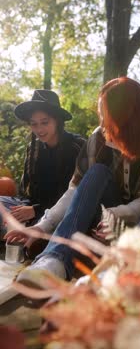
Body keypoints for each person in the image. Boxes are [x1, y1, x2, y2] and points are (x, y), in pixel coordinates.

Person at [6, 78, 140, 284]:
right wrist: (42, 226)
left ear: (131, 118)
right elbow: (75, 191)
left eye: (109, 118)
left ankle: (120, 270)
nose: (104, 124)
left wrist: (117, 216)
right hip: (109, 227)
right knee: (96, 171)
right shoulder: (99, 138)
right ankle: (54, 260)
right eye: (102, 117)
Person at [0, 89, 85, 238]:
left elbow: (74, 196)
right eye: (34, 124)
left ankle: (39, 238)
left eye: (44, 122)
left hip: (60, 213)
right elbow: (27, 192)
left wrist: (35, 210)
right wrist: (21, 210)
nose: (39, 129)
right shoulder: (33, 148)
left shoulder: (76, 147)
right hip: (32, 208)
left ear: (57, 121)